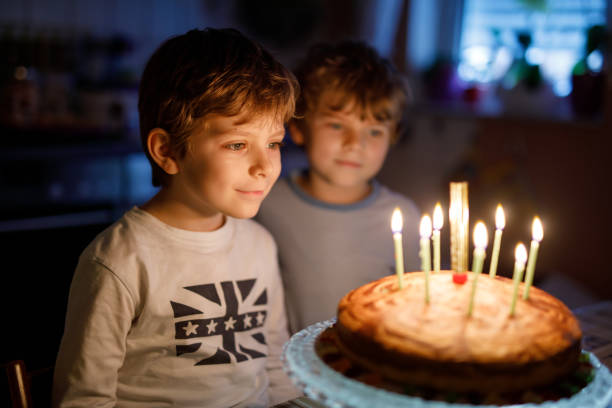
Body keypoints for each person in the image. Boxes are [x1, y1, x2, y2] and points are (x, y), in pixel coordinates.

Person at [52, 28, 301, 408]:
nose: (264, 167)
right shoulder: (119, 261)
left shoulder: (259, 245)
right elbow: (83, 400)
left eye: (273, 144)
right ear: (167, 150)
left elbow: (275, 367)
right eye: (237, 144)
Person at [257, 41, 420, 332]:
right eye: (336, 125)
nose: (354, 144)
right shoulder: (263, 203)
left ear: (392, 137)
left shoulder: (404, 217)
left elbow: (419, 307)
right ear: (298, 127)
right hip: (288, 371)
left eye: (373, 131)